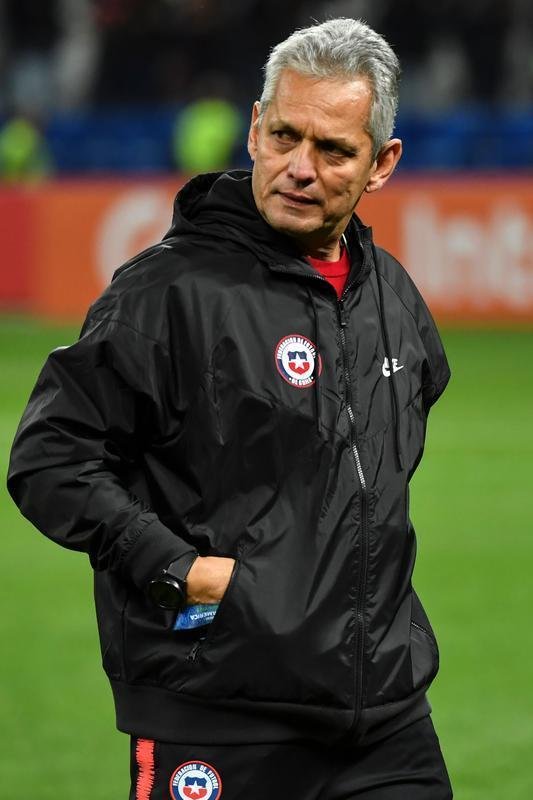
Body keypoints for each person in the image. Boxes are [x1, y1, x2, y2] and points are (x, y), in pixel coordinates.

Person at [8, 18, 453, 800]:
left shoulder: (393, 298)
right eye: (284, 135)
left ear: (381, 163)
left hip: (382, 719)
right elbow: (51, 460)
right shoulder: (165, 293)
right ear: (253, 128)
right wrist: (180, 571)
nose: (299, 168)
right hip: (215, 715)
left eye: (333, 150)